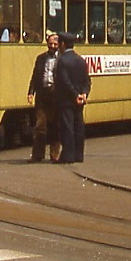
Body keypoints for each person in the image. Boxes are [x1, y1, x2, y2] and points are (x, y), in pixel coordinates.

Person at [54, 31, 91, 163]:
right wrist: (83, 94)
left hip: (66, 100)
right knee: (78, 127)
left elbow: (64, 81)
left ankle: (68, 156)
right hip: (79, 100)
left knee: (67, 128)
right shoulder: (80, 60)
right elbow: (87, 80)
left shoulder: (62, 61)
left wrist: (75, 95)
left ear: (63, 44)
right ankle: (79, 155)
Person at [26, 31, 61, 162]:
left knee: (55, 126)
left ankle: (54, 154)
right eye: (50, 43)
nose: (52, 46)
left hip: (56, 96)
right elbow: (35, 77)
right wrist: (31, 92)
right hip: (42, 96)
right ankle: (37, 154)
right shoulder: (41, 58)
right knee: (40, 126)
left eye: (55, 44)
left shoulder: (62, 58)